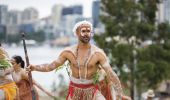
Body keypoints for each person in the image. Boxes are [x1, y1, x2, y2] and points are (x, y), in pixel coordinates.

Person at [27, 20, 126, 100]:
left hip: (92, 91)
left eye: (89, 31)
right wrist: (34, 67)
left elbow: (111, 74)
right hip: (74, 92)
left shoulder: (98, 54)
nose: (86, 34)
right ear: (77, 33)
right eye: (83, 31)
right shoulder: (68, 52)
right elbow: (51, 66)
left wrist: (119, 95)